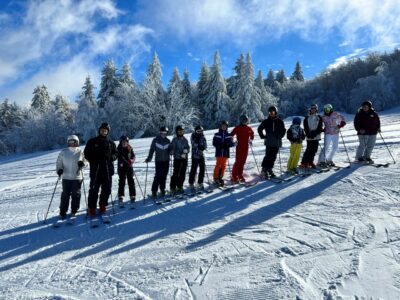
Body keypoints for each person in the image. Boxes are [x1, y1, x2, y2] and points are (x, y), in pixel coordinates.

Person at [84, 122, 117, 217]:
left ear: (107, 132)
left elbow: (116, 153)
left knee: (106, 189)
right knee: (94, 189)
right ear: (99, 130)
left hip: (107, 169)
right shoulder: (92, 141)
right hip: (96, 170)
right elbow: (86, 153)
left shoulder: (111, 143)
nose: (104, 131)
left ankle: (103, 205)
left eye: (106, 130)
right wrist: (94, 159)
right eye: (102, 130)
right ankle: (92, 208)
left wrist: (112, 158)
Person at [56, 135, 86, 220]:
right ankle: (63, 211)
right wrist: (59, 170)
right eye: (70, 142)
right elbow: (59, 162)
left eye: (74, 142)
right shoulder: (64, 152)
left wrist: (82, 164)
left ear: (77, 142)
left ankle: (74, 210)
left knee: (76, 194)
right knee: (65, 195)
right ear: (68, 143)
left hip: (77, 177)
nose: (72, 144)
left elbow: (86, 162)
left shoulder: (80, 151)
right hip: (66, 177)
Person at [257, 106, 286, 178]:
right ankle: (264, 169)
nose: (271, 114)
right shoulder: (266, 121)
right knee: (268, 155)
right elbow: (259, 129)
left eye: (272, 112)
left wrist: (280, 135)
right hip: (269, 141)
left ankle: (269, 168)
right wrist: (263, 136)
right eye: (270, 112)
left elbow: (283, 130)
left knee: (273, 156)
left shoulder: (279, 121)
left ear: (275, 112)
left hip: (276, 141)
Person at [145, 126, 171, 198]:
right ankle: (154, 191)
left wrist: (171, 152)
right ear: (160, 132)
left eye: (165, 133)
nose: (163, 134)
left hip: (166, 161)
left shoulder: (168, 141)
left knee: (164, 176)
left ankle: (162, 189)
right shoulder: (155, 140)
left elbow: (170, 150)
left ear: (167, 133)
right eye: (162, 132)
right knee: (158, 176)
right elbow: (152, 150)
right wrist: (149, 158)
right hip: (159, 161)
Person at [230, 115, 254, 183]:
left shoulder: (248, 128)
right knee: (238, 161)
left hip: (246, 147)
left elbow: (252, 134)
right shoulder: (237, 128)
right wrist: (232, 141)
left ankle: (240, 174)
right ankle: (234, 176)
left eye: (246, 120)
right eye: (244, 120)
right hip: (239, 147)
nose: (245, 122)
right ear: (241, 121)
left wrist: (251, 140)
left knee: (243, 161)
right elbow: (231, 134)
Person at [300, 104, 323, 168]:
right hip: (309, 136)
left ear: (316, 109)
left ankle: (310, 161)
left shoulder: (319, 117)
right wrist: (309, 134)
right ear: (310, 109)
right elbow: (305, 127)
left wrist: (315, 133)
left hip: (316, 136)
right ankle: (304, 162)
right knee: (309, 149)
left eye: (314, 108)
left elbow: (320, 127)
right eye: (312, 108)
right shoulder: (307, 117)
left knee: (314, 150)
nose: (313, 109)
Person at [170, 125, 190, 196]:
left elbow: (188, 147)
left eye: (182, 131)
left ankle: (180, 186)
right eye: (179, 131)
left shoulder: (185, 139)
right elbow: (173, 150)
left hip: (184, 159)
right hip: (177, 159)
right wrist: (180, 154)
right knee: (176, 173)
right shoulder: (175, 140)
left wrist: (186, 151)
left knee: (183, 174)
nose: (180, 132)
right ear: (177, 132)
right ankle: (173, 187)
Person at [213, 120, 234, 186]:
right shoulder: (217, 134)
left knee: (223, 165)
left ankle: (220, 177)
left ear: (227, 127)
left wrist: (227, 145)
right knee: (218, 164)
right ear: (220, 126)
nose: (224, 127)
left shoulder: (229, 135)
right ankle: (216, 177)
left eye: (225, 126)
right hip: (219, 152)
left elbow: (231, 143)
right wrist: (219, 145)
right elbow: (214, 143)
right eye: (223, 126)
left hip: (225, 153)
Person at [117, 135, 136, 206]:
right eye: (123, 142)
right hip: (122, 167)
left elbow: (133, 156)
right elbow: (120, 158)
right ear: (120, 142)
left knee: (131, 180)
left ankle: (132, 195)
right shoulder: (118, 149)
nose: (124, 143)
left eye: (126, 142)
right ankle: (121, 195)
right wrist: (128, 162)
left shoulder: (130, 148)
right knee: (122, 181)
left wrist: (132, 160)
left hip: (129, 167)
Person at [188, 125, 207, 191]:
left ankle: (200, 182)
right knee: (194, 169)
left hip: (201, 155)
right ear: (195, 131)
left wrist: (204, 147)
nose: (200, 132)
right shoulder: (193, 136)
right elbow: (193, 144)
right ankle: (191, 183)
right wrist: (199, 146)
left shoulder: (203, 137)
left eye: (201, 131)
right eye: (198, 131)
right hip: (195, 155)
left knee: (202, 168)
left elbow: (205, 144)